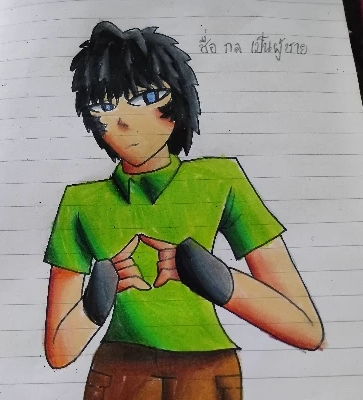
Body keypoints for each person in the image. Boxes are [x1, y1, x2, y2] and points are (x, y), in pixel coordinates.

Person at [43, 21, 324, 400]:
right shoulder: (81, 201)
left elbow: (307, 329)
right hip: (120, 370)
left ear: (178, 99)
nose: (123, 120)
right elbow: (59, 352)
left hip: (207, 371)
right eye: (105, 106)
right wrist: (97, 298)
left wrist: (217, 279)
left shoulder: (220, 179)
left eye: (145, 97)